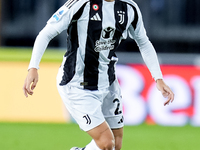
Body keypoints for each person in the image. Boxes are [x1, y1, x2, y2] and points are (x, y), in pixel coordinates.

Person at [23, 0, 174, 149]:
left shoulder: (129, 8)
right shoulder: (80, 4)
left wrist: (158, 78)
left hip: (108, 83)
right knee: (107, 143)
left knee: (116, 144)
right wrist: (33, 68)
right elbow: (46, 33)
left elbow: (143, 42)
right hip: (77, 84)